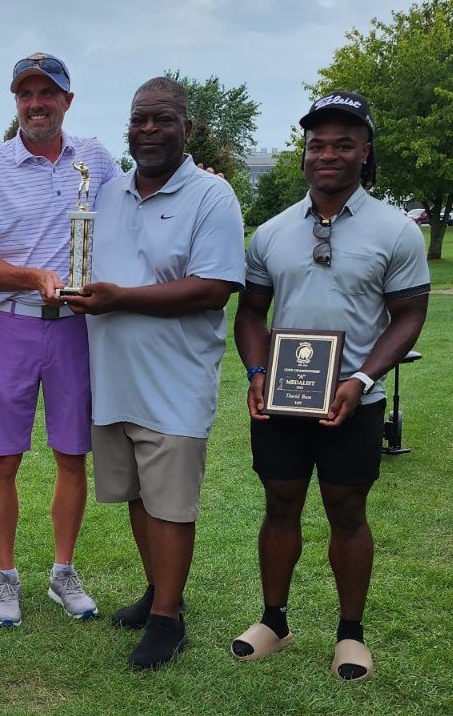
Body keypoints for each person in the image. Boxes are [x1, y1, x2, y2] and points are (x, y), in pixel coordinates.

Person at [231, 91, 430, 681]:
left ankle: (350, 635)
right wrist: (258, 373)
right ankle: (274, 622)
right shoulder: (271, 233)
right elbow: (251, 313)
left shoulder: (396, 230)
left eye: (344, 144)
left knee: (346, 511)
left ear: (365, 152)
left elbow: (409, 316)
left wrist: (364, 377)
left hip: (354, 399)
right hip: (283, 398)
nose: (328, 154)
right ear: (304, 153)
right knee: (279, 504)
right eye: (317, 144)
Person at [65, 76, 245, 669]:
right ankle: (158, 593)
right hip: (114, 378)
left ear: (185, 128)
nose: (148, 130)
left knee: (171, 504)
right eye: (139, 119)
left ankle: (169, 620)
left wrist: (121, 299)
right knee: (138, 494)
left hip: (175, 381)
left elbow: (214, 287)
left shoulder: (211, 196)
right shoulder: (108, 193)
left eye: (162, 119)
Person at [0, 52, 121, 627]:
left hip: (77, 327)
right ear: (16, 101)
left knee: (72, 454)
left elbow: (133, 214)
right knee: (4, 457)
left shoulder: (96, 158)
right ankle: (6, 576)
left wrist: (201, 181)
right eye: (26, 94)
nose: (36, 104)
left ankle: (62, 571)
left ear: (67, 101)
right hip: (13, 323)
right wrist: (32, 277)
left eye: (47, 93)